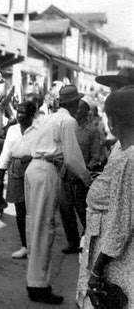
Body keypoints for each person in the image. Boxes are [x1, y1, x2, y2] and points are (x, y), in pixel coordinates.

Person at [24, 85, 92, 304]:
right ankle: (38, 286)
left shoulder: (46, 119)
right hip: (46, 170)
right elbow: (72, 157)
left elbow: (22, 145)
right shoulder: (67, 121)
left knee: (34, 226)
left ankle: (34, 281)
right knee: (44, 228)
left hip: (33, 168)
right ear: (72, 104)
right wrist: (87, 178)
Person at [76, 86, 134, 308]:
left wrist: (97, 270)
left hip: (114, 256)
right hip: (102, 238)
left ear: (115, 120)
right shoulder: (123, 148)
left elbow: (123, 222)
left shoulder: (130, 157)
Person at [59, 96, 101, 254]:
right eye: (75, 108)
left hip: (81, 178)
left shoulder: (92, 131)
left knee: (83, 211)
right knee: (65, 209)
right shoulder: (69, 126)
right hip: (66, 174)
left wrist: (84, 171)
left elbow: (96, 156)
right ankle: (73, 242)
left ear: (87, 112)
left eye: (80, 108)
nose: (76, 111)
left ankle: (88, 242)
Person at [0, 101, 38, 259]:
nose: (19, 115)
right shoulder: (12, 129)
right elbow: (6, 151)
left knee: (33, 209)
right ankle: (25, 246)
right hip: (15, 170)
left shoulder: (39, 129)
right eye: (18, 112)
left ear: (31, 114)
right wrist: (1, 175)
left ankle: (35, 247)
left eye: (23, 112)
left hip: (33, 168)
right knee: (20, 210)